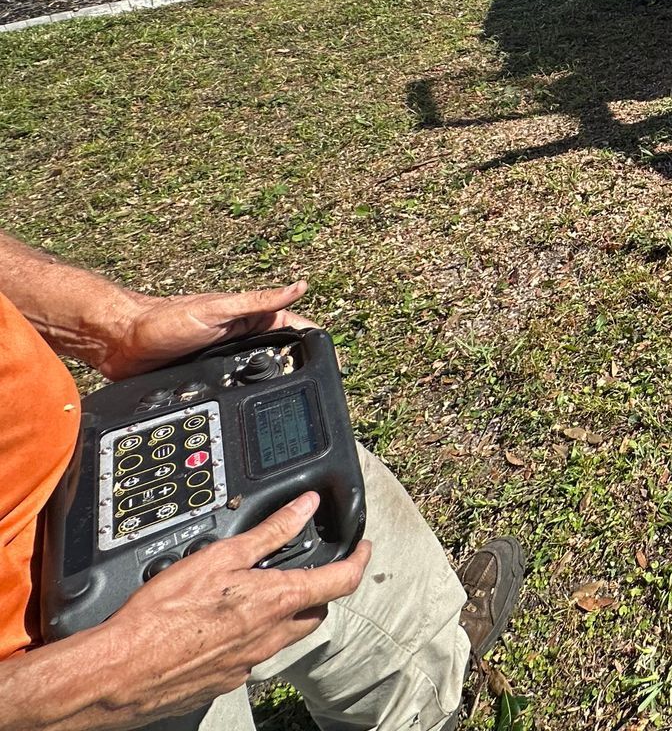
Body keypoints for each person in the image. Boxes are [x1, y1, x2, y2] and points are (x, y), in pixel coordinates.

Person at [0, 229, 524, 730]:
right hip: (54, 659)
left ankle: (427, 694)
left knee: (358, 547)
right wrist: (86, 683)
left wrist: (112, 326)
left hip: (84, 462)